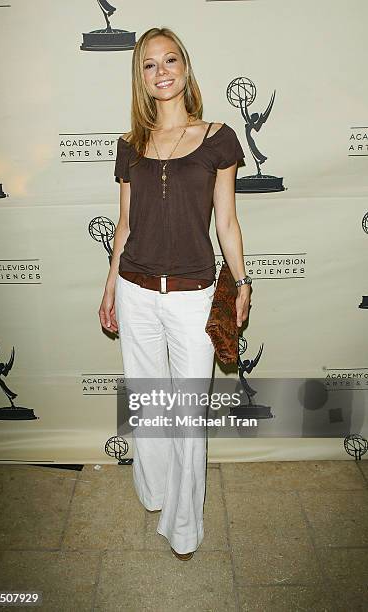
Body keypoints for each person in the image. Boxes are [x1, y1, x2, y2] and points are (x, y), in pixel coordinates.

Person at [99, 26, 252, 561]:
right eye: (148, 64)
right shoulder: (130, 146)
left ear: (185, 68)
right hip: (136, 289)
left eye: (170, 61)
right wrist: (110, 286)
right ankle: (155, 494)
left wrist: (243, 281)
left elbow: (227, 222)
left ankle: (184, 526)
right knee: (149, 407)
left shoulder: (219, 139)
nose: (161, 71)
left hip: (193, 295)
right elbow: (123, 225)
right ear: (140, 77)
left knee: (186, 415)